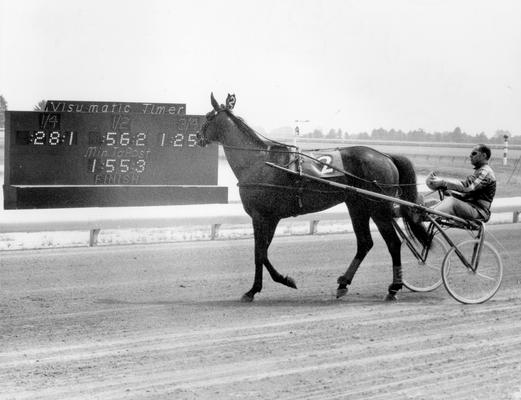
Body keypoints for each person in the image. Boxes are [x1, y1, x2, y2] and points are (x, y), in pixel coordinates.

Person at [425, 144, 496, 221]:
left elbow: (467, 187)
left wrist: (443, 183)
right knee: (433, 202)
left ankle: (424, 215)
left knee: (451, 201)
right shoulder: (479, 172)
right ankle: (419, 211)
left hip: (479, 211)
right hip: (470, 206)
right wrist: (447, 191)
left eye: (474, 153)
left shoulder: (485, 172)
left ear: (483, 155)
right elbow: (465, 195)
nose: (470, 156)